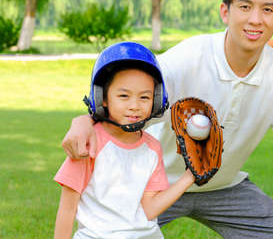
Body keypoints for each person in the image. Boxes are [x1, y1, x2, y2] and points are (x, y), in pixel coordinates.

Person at [61, 0, 273, 238]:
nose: (255, 19)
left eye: (267, 9)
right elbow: (127, 100)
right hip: (154, 184)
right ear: (225, 12)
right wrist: (83, 120)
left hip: (224, 186)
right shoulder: (188, 58)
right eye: (245, 6)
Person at [54, 42, 195, 238]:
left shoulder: (152, 147)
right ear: (103, 97)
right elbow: (67, 210)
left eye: (144, 97)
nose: (134, 106)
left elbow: (149, 209)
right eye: (123, 96)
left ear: (155, 100)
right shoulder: (89, 142)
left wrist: (190, 176)